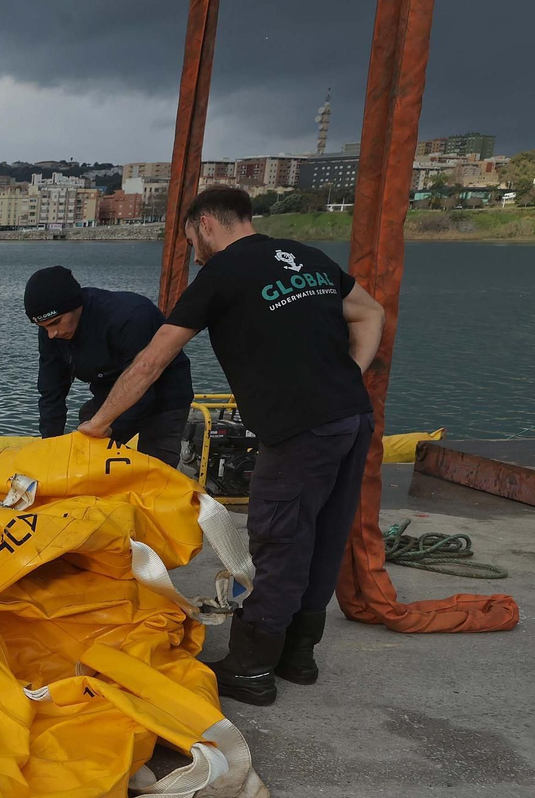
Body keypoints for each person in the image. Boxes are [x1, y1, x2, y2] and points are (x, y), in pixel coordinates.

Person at [77, 186, 384, 706]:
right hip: (352, 417)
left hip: (299, 428)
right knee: (325, 534)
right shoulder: (307, 258)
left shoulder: (220, 274)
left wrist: (100, 423)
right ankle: (298, 656)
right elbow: (370, 312)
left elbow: (152, 360)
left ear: (206, 225)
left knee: (279, 539)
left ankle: (251, 668)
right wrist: (347, 376)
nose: (194, 254)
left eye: (190, 241)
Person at [26, 266, 194, 467]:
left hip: (164, 394)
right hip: (109, 389)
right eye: (43, 327)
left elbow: (145, 393)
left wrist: (108, 431)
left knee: (155, 464)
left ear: (76, 306)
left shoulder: (130, 317)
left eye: (56, 322)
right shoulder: (51, 332)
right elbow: (51, 391)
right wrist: (50, 445)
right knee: (87, 434)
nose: (52, 333)